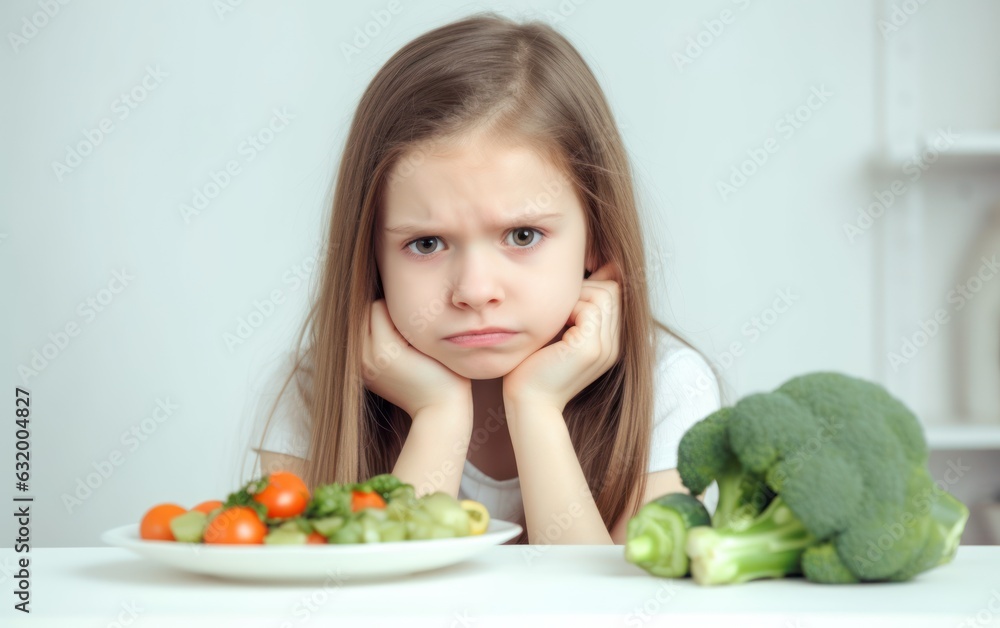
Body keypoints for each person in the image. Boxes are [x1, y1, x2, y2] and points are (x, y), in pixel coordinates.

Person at [246, 12, 722, 545]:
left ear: (596, 237)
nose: (474, 291)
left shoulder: (670, 389)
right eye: (426, 243)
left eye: (522, 236)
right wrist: (437, 416)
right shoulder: (315, 389)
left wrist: (536, 409)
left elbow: (601, 616)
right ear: (370, 256)